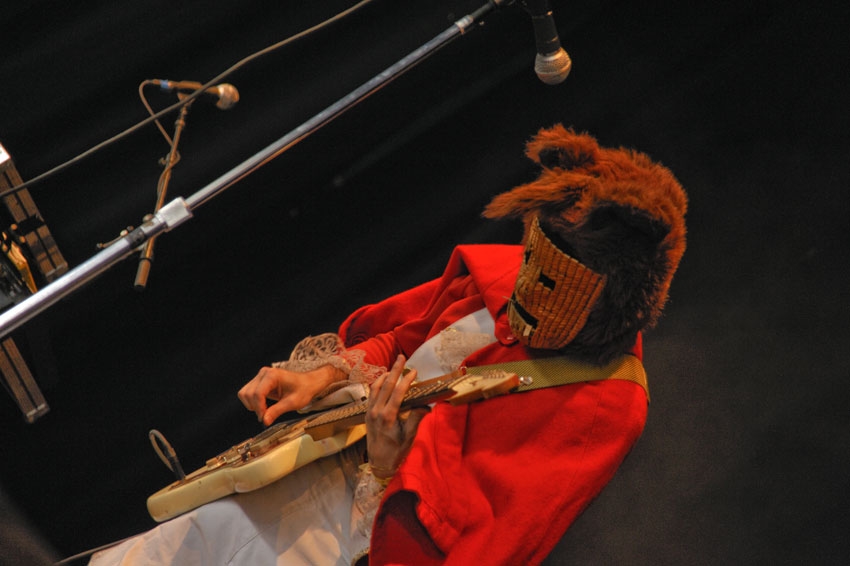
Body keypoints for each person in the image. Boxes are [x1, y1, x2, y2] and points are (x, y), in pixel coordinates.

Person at [90, 124, 687, 565]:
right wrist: (320, 377)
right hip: (287, 479)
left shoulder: (607, 404)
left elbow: (488, 541)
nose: (528, 282)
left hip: (348, 545)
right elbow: (401, 341)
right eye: (533, 255)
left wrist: (388, 468)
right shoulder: (510, 272)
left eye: (555, 276)